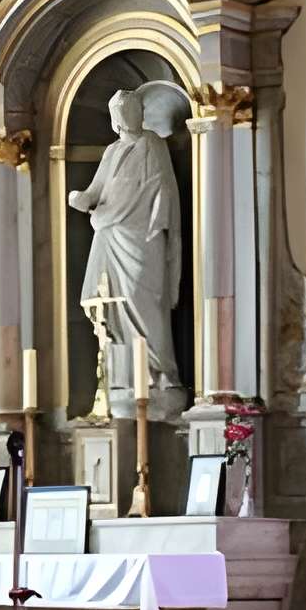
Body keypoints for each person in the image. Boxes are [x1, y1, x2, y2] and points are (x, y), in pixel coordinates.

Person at [68, 89, 182, 395]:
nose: (127, 117)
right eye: (121, 112)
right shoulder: (112, 152)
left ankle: (161, 371)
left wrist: (134, 202)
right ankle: (121, 377)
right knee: (111, 306)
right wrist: (80, 198)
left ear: (140, 114)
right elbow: (96, 190)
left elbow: (163, 188)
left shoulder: (152, 144)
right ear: (114, 120)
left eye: (132, 110)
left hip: (143, 236)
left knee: (143, 301)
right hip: (110, 234)